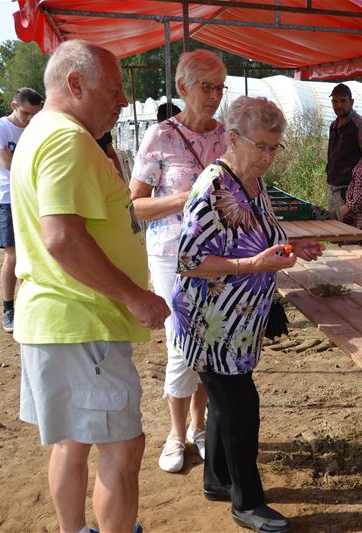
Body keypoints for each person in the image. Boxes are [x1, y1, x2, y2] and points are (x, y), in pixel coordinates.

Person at [10, 40, 169, 533]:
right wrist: (134, 296)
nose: (123, 101)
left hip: (59, 320)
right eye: (115, 89)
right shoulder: (66, 139)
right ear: (76, 84)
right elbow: (61, 237)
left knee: (72, 441)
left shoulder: (44, 133)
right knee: (122, 446)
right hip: (82, 322)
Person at [173, 95, 323, 532]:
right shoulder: (214, 187)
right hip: (210, 323)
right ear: (233, 138)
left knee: (225, 403)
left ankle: (217, 480)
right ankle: (247, 502)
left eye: (275, 148)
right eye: (261, 146)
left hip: (237, 324)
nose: (268, 157)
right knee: (242, 407)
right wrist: (252, 266)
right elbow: (188, 259)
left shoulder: (252, 184)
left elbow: (257, 237)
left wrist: (294, 248)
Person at [130, 49, 227, 473]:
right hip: (171, 255)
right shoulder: (161, 138)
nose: (214, 96)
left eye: (220, 87)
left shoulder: (229, 136)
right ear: (183, 87)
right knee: (180, 347)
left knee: (208, 343)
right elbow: (136, 206)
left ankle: (198, 426)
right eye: (207, 87)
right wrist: (187, 199)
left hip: (221, 254)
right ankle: (174, 432)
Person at [0, 87, 43, 332]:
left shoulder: (34, 128)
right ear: (13, 105)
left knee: (32, 251)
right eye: (26, 113)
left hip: (32, 196)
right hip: (7, 198)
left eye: (34, 114)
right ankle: (8, 308)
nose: (29, 119)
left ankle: (24, 305)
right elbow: (6, 163)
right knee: (13, 253)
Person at [326, 82, 362, 218]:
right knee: (335, 234)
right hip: (334, 187)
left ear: (351, 102)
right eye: (335, 101)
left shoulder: (360, 125)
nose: (339, 105)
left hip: (349, 191)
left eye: (343, 101)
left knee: (348, 234)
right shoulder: (333, 125)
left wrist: (355, 197)